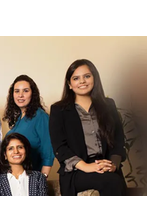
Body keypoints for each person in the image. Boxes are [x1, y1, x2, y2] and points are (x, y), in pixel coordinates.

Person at [49, 59, 127, 196]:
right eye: (76, 78)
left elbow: (118, 140)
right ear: (69, 84)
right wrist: (86, 166)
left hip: (106, 164)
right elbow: (59, 147)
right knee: (112, 181)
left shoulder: (109, 105)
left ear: (94, 79)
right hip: (77, 170)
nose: (82, 81)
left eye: (87, 76)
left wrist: (113, 165)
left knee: (113, 179)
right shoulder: (58, 110)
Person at [3, 75, 54, 177]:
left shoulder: (41, 116)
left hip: (32, 175)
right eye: (17, 91)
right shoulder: (19, 118)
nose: (20, 95)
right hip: (16, 176)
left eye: (25, 91)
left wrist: (42, 179)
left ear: (33, 94)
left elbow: (48, 150)